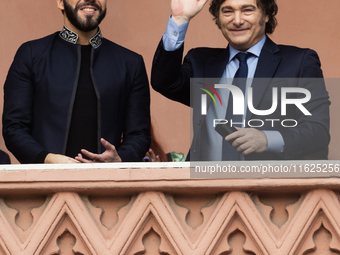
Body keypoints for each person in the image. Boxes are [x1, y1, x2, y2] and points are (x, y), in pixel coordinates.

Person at [151, 0, 330, 161]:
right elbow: (164, 82)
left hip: (270, 189)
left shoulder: (299, 62)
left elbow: (318, 131)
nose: (237, 20)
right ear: (218, 18)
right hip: (205, 189)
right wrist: (179, 19)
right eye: (227, 11)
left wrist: (267, 140)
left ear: (266, 14)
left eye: (247, 10)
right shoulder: (202, 62)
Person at [3, 0, 151, 164]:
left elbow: (139, 133)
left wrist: (120, 159)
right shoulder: (31, 55)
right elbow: (14, 127)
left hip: (108, 184)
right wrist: (47, 159)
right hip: (44, 182)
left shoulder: (130, 63)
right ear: (60, 3)